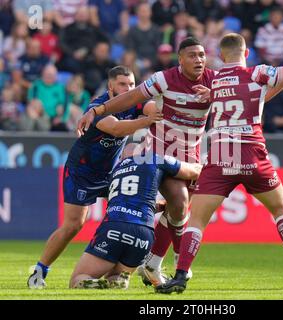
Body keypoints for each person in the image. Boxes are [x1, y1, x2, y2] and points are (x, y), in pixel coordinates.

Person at [155, 33, 283, 294]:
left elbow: (231, 95)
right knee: (281, 210)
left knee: (196, 220)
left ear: (220, 56)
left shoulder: (216, 81)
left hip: (221, 155)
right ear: (246, 53)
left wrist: (211, 95)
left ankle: (181, 277)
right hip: (252, 153)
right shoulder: (258, 73)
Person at [76, 37, 217, 287]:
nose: (199, 60)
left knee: (177, 210)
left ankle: (151, 263)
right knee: (179, 201)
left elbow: (242, 98)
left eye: (202, 55)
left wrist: (216, 97)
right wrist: (98, 110)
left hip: (191, 154)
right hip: (159, 151)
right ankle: (166, 260)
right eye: (193, 55)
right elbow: (130, 98)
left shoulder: (213, 81)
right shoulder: (164, 79)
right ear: (180, 59)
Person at [27, 66, 162, 288]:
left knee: (136, 210)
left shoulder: (134, 101)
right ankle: (39, 271)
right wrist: (148, 121)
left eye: (131, 84)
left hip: (110, 174)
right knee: (73, 225)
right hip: (82, 172)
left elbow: (150, 107)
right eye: (122, 84)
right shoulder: (97, 107)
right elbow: (117, 129)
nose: (128, 89)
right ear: (110, 86)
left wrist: (156, 110)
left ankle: (124, 272)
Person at [69, 139, 202, 289]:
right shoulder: (155, 158)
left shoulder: (114, 172)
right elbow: (194, 171)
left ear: (122, 158)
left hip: (114, 227)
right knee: (115, 277)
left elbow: (124, 198)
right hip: (144, 235)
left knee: (77, 280)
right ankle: (119, 280)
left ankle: (100, 282)